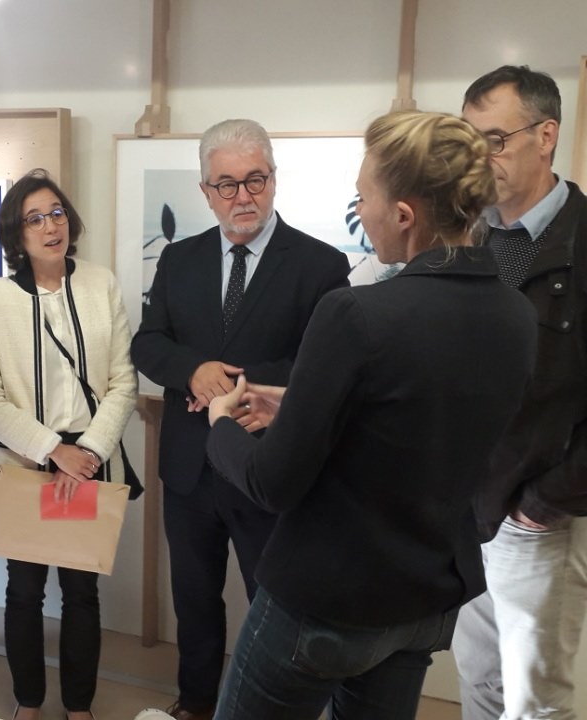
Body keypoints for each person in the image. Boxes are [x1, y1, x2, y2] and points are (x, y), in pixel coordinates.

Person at [203, 110, 537, 719]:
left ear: (403, 214)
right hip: (426, 600)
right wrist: (302, 405)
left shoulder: (356, 313)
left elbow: (272, 482)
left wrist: (221, 425)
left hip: (328, 600)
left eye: (363, 197)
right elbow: (420, 422)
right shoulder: (516, 315)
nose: (360, 208)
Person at [129, 118, 351, 719]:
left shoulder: (320, 264)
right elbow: (148, 344)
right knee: (194, 600)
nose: (242, 196)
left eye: (255, 179)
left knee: (273, 603)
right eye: (226, 184)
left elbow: (322, 364)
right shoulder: (180, 259)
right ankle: (196, 703)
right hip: (190, 468)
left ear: (274, 179)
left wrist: (234, 384)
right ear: (206, 191)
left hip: (267, 467)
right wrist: (193, 370)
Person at [0, 169, 137, 720]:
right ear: (16, 234)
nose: (50, 226)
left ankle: (79, 706)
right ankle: (29, 703)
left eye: (57, 213)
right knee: (24, 590)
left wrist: (86, 452)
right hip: (22, 463)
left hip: (85, 463)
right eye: (34, 218)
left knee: (82, 589)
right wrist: (51, 450)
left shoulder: (100, 284)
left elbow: (123, 382)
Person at [452, 65, 587, 720]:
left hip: (536, 521)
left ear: (546, 136)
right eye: (469, 141)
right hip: (466, 508)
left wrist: (544, 503)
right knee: (479, 678)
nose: (481, 158)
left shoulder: (580, 243)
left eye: (496, 140)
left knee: (536, 702)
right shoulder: (469, 235)